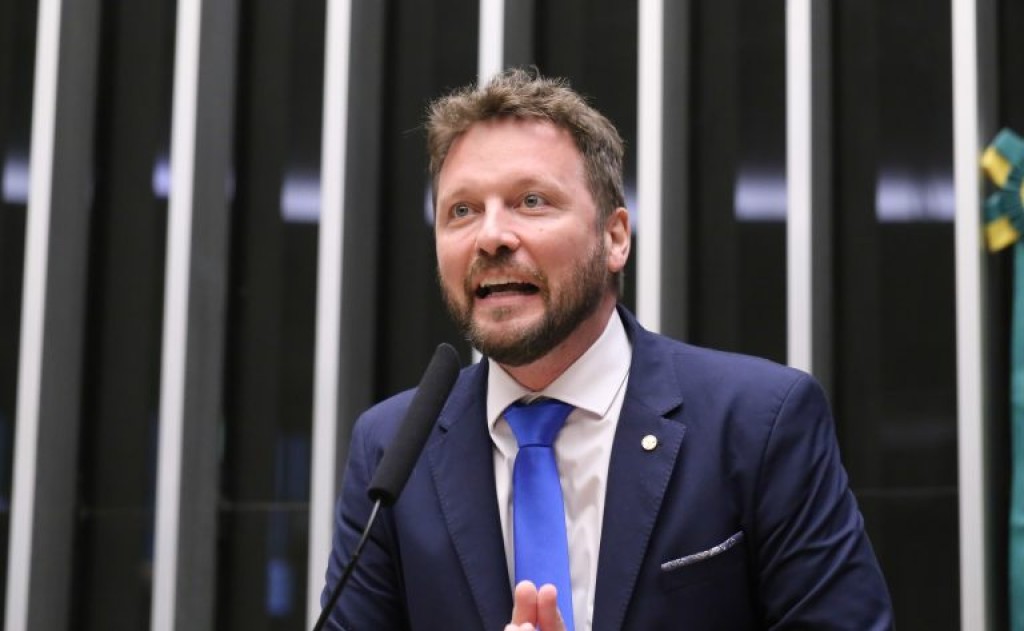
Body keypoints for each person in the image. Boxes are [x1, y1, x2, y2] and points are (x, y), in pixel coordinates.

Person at [321, 68, 893, 630]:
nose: (490, 236)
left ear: (615, 237)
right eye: (461, 211)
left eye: (531, 201)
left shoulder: (758, 421)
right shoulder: (392, 449)